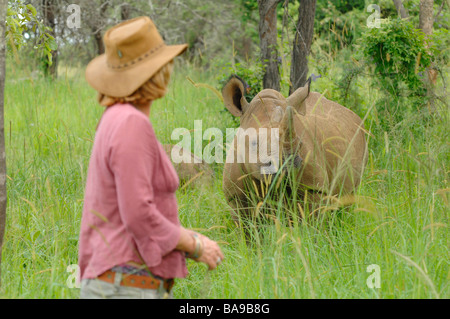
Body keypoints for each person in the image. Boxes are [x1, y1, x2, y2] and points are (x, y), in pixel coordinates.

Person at [78, 16, 224, 299]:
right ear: (155, 72)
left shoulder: (113, 119)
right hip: (126, 286)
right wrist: (194, 244)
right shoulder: (132, 123)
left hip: (118, 283)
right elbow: (138, 214)